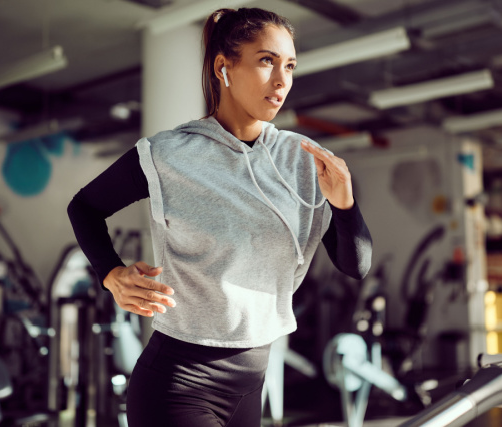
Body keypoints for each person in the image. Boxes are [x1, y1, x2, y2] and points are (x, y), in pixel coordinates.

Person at [67, 7, 372, 427]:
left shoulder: (301, 158)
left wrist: (345, 205)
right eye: (266, 61)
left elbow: (356, 265)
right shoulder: (170, 154)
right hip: (176, 384)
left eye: (289, 66)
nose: (282, 81)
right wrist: (111, 274)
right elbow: (83, 207)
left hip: (251, 384)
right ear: (223, 67)